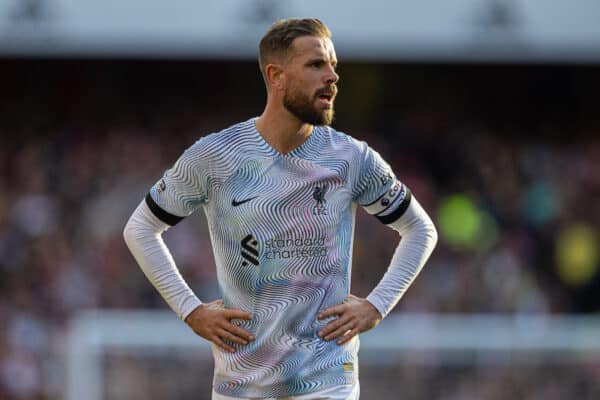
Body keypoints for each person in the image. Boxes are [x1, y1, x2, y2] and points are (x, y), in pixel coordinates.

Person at [123, 18, 437, 400]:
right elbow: (140, 229)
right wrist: (191, 310)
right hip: (241, 385)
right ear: (276, 76)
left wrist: (377, 305)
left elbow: (420, 229)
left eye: (333, 65)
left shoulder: (351, 158)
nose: (333, 76)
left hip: (328, 381)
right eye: (316, 65)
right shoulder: (215, 156)